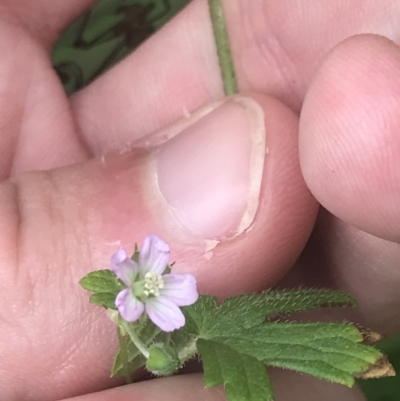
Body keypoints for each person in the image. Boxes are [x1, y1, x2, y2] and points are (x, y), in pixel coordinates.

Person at [1, 0, 399, 400]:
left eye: (147, 283)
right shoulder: (136, 295)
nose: (149, 284)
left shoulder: (156, 290)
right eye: (144, 286)